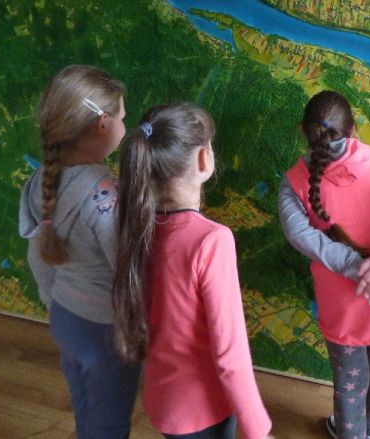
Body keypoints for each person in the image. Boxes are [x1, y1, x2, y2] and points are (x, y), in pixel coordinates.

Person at [112, 103, 273, 439]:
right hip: (204, 409)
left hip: (162, 399)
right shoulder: (212, 241)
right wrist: (258, 429)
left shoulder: (138, 226)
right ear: (203, 159)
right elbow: (231, 354)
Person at [278, 90, 370, 439]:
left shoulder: (294, 180)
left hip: (342, 301)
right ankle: (366, 434)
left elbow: (299, 234)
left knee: (350, 381)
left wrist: (353, 265)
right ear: (353, 127)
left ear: (302, 130)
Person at [18, 64, 140, 439]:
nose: (124, 125)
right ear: (102, 124)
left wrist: (52, 300)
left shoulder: (41, 180)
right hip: (106, 334)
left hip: (65, 319)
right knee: (110, 425)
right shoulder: (106, 196)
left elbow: (37, 256)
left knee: (85, 409)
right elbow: (128, 272)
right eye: (122, 117)